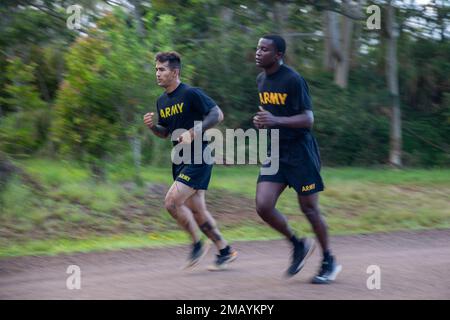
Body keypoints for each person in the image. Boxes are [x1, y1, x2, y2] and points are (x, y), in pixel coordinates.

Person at [253, 35, 341, 284]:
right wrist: (261, 122)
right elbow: (270, 115)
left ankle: (328, 260)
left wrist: (276, 121)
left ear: (278, 55)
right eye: (258, 48)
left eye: (264, 49)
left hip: (301, 153)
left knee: (309, 209)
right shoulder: (261, 80)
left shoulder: (293, 79)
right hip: (276, 152)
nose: (258, 52)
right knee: (263, 205)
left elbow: (308, 119)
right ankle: (298, 244)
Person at [144, 51, 237, 271]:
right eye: (156, 69)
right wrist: (152, 127)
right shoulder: (162, 101)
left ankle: (197, 243)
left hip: (199, 156)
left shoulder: (191, 93)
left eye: (162, 69)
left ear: (175, 72)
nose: (157, 73)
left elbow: (217, 114)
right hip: (180, 159)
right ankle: (225, 250)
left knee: (171, 202)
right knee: (197, 209)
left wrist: (194, 132)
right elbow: (165, 133)